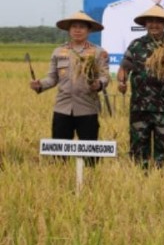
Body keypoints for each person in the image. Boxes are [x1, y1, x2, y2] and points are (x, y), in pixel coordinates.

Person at [30, 11, 109, 164]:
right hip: (62, 108)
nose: (78, 30)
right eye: (74, 27)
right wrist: (39, 85)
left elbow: (105, 76)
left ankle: (91, 177)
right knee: (59, 153)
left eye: (82, 27)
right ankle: (60, 176)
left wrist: (98, 84)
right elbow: (52, 78)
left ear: (89, 30)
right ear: (69, 30)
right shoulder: (59, 52)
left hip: (87, 108)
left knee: (90, 153)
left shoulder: (99, 52)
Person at [117, 5, 164, 169]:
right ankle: (138, 177)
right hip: (139, 106)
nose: (154, 25)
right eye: (150, 21)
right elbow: (124, 68)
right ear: (145, 24)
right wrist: (122, 81)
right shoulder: (136, 45)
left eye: (158, 21)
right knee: (138, 147)